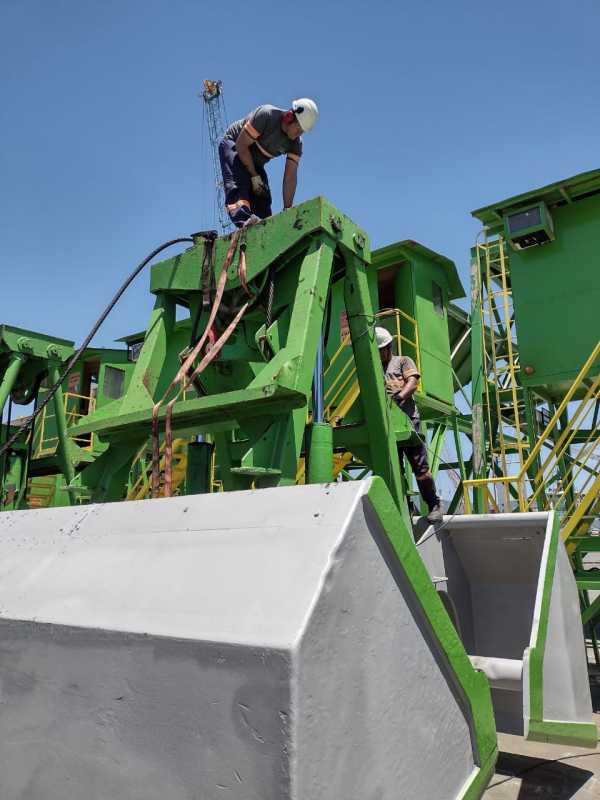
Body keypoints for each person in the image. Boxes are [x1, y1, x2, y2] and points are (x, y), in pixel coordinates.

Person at [375, 326, 443, 522]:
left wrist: (398, 398)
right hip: (387, 428)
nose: (379, 353)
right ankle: (406, 507)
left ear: (388, 347)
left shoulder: (403, 361)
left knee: (420, 470)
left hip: (408, 423)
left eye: (381, 349)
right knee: (394, 472)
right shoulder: (374, 367)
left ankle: (434, 505)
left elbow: (412, 383)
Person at [218, 98, 319, 228]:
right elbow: (241, 145)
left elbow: (290, 177)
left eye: (302, 132)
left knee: (263, 196)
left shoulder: (296, 144)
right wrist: (254, 175)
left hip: (255, 161)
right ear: (289, 117)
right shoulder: (266, 115)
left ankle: (265, 227)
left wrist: (287, 209)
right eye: (298, 129)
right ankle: (244, 221)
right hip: (235, 146)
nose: (298, 134)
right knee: (240, 182)